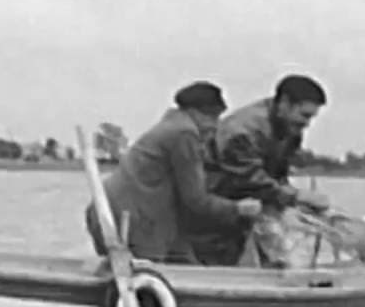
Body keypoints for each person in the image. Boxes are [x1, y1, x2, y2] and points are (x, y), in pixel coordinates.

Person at [84, 81, 264, 263]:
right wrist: (238, 209)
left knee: (186, 265)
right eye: (211, 117)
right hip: (129, 220)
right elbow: (196, 201)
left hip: (107, 210)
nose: (215, 125)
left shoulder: (172, 125)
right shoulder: (184, 134)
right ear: (193, 111)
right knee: (160, 275)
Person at [186, 74, 331, 267]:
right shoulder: (242, 131)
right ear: (285, 103)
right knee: (213, 262)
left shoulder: (290, 131)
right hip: (214, 208)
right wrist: (297, 196)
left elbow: (278, 176)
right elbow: (249, 179)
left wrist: (292, 205)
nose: (307, 123)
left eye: (312, 117)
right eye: (304, 115)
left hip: (247, 210)